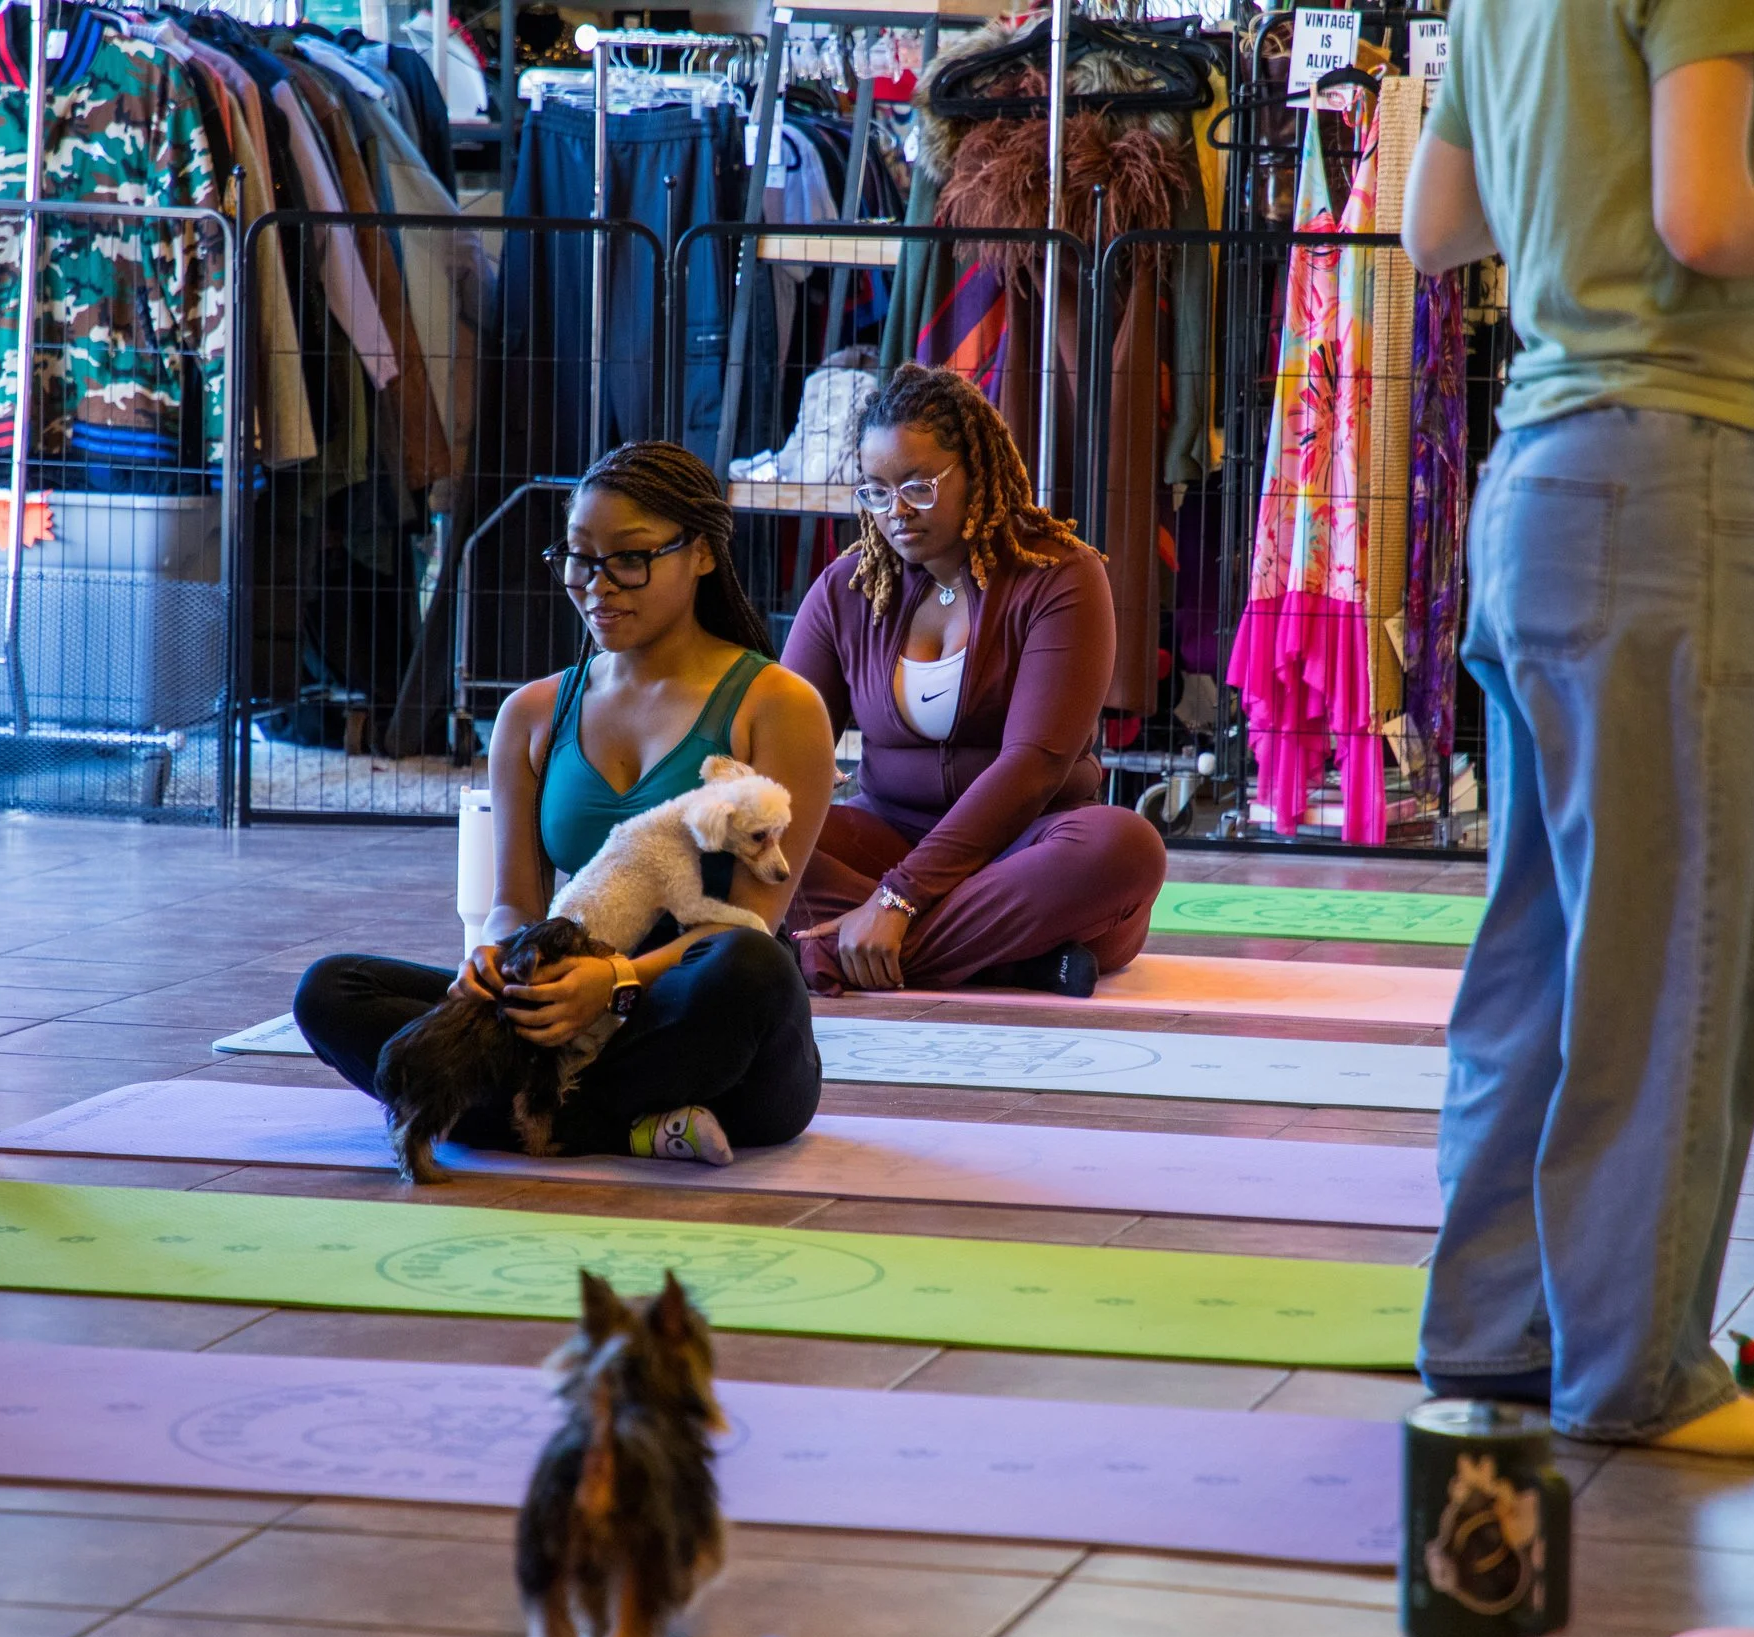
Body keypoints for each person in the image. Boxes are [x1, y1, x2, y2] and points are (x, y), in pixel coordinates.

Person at [1402, 2, 1754, 1456]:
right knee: (1686, 954)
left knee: (1539, 949)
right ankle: (1641, 1365)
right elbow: (1708, 219)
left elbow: (1434, 223)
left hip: (1538, 473)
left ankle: (1501, 1329)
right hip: (1661, 473)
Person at [293, 442, 840, 1164]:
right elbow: (516, 903)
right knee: (332, 989)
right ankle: (626, 1127)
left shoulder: (779, 705)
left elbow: (750, 921)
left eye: (630, 557)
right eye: (581, 558)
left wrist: (612, 981)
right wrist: (494, 959)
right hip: (563, 1019)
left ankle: (497, 1114)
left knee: (751, 964)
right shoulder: (531, 713)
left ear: (702, 554)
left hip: (704, 1025)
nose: (598, 584)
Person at [782, 363, 1167, 996]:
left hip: (1028, 849)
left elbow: (1035, 765)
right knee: (740, 837)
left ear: (976, 470)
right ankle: (1013, 961)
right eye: (875, 492)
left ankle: (836, 950)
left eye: (918, 486)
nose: (896, 511)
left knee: (1125, 847)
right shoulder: (845, 590)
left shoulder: (1058, 574)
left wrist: (900, 899)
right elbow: (784, 740)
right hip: (891, 840)